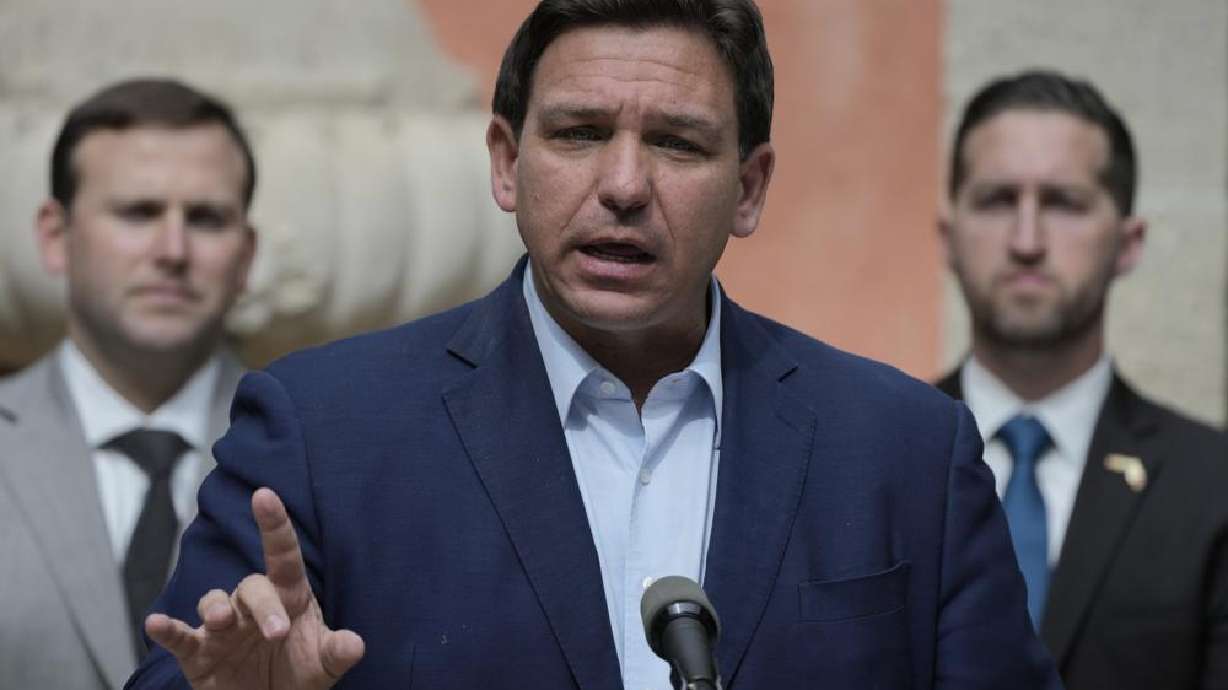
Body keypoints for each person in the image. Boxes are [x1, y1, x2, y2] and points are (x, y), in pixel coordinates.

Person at [127, 2, 1059, 688]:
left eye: (679, 144)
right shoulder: (325, 432)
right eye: (578, 133)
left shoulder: (904, 449)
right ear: (505, 162)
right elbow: (204, 666)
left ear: (749, 187)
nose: (623, 184)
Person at [936, 69, 1228, 690]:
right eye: (996, 200)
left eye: (1064, 203)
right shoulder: (866, 459)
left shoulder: (1214, 486)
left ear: (1128, 243)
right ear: (949, 237)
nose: (1027, 241)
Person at [0, 78, 257, 690]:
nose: (172, 250)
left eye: (206, 218)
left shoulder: (323, 453)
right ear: (56, 236)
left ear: (246, 256)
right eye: (138, 212)